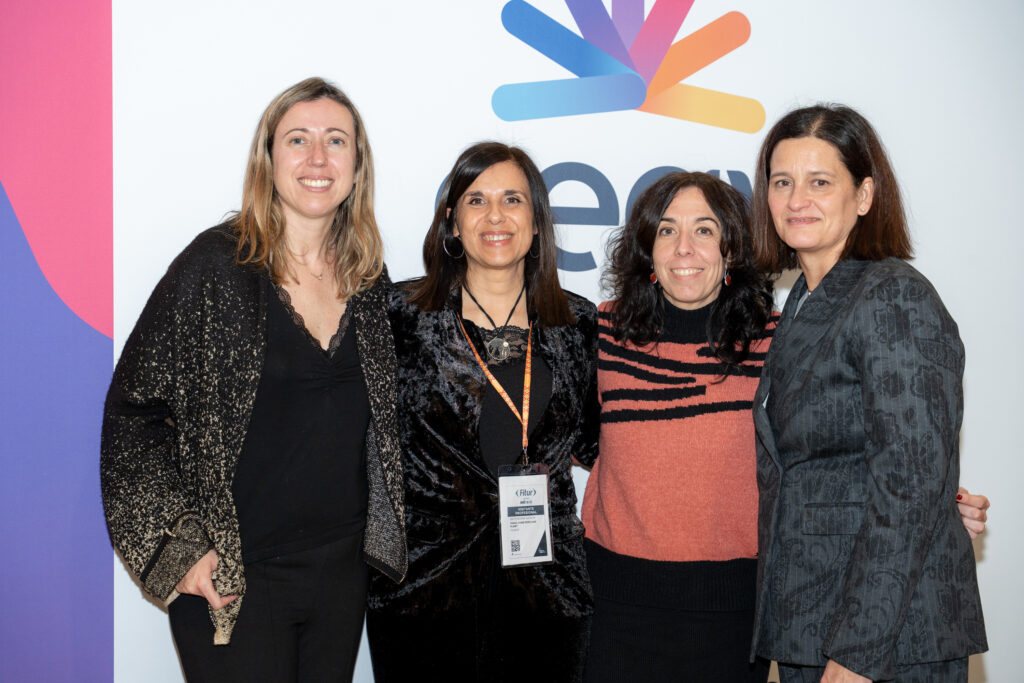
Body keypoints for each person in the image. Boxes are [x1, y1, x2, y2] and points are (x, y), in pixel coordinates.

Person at [100, 77, 406, 682]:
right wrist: (178, 549)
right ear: (269, 158)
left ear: (357, 166)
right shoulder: (216, 267)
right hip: (237, 579)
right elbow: (134, 415)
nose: (317, 159)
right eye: (297, 139)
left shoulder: (369, 278)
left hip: (341, 575)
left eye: (336, 141)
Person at [749, 104, 987, 682]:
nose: (797, 199)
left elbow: (907, 489)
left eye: (820, 182)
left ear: (863, 195)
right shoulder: (803, 302)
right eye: (782, 182)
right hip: (814, 619)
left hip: (884, 642)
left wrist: (857, 652)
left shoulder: (893, 296)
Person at [365, 142, 599, 683]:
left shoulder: (578, 323)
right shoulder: (400, 316)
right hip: (424, 590)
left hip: (548, 592)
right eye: (476, 200)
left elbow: (601, 444)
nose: (495, 216)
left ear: (537, 221)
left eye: (513, 199)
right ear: (452, 222)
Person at [582, 171, 775, 682]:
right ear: (648, 251)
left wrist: (930, 502)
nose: (684, 248)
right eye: (667, 230)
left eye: (704, 230)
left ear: (731, 250)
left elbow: (826, 451)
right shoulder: (602, 333)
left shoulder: (776, 343)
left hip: (733, 616)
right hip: (614, 608)